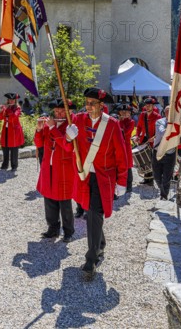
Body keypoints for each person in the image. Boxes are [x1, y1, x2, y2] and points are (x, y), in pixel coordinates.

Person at [64, 87, 128, 278]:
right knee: (91, 212)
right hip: (85, 175)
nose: (88, 107)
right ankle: (100, 244)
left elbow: (121, 155)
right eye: (87, 103)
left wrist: (121, 181)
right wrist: (68, 137)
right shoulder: (78, 120)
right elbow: (69, 149)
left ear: (102, 105)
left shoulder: (113, 124)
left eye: (92, 103)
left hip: (103, 178)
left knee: (93, 213)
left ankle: (91, 259)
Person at [34, 98, 75, 243]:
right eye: (56, 111)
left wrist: (52, 128)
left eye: (61, 111)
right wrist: (39, 129)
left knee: (64, 201)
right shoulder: (49, 124)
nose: (57, 113)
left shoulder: (71, 125)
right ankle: (52, 228)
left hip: (63, 168)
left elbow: (67, 146)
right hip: (48, 166)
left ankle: (68, 231)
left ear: (68, 111)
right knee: (49, 198)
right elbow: (38, 143)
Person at [134, 97, 161, 185]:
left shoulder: (157, 116)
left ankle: (152, 179)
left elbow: (159, 130)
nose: (148, 107)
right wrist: (137, 136)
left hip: (153, 140)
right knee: (144, 159)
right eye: (146, 105)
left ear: (153, 106)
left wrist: (154, 137)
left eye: (149, 105)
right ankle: (146, 178)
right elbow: (139, 127)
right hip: (144, 139)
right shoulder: (142, 115)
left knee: (151, 159)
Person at [152, 106, 177, 200]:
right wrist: (174, 129)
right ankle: (162, 189)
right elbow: (163, 133)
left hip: (170, 153)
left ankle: (164, 195)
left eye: (171, 112)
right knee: (157, 176)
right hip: (158, 152)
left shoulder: (177, 124)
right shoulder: (159, 122)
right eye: (167, 112)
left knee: (167, 177)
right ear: (164, 113)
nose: (169, 114)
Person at [0, 93, 24, 172]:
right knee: (5, 147)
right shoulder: (6, 108)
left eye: (13, 100)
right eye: (10, 100)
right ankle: (5, 165)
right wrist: (2, 110)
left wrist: (7, 109)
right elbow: (0, 118)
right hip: (6, 130)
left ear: (15, 101)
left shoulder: (18, 108)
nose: (11, 101)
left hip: (14, 131)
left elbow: (13, 117)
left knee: (14, 148)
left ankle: (14, 166)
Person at [117, 104, 135, 193]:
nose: (124, 113)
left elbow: (126, 133)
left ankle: (129, 185)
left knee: (128, 166)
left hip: (126, 145)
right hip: (118, 145)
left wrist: (121, 123)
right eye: (122, 112)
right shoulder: (117, 121)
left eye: (126, 112)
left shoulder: (131, 122)